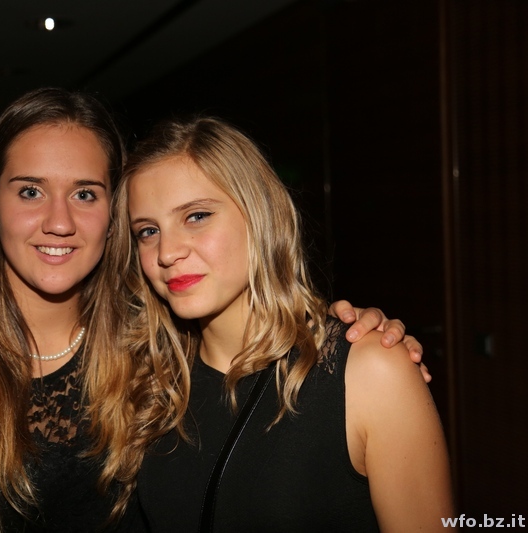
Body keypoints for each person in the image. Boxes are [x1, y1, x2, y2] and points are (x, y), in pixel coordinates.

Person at [0, 89, 425, 532]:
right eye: (29, 191)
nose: (59, 221)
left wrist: (365, 341)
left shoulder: (152, 352)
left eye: (85, 193)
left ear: (110, 221)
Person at [116, 116, 453, 532]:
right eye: (148, 231)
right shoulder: (152, 383)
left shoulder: (368, 369)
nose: (167, 252)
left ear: (260, 216)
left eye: (197, 216)